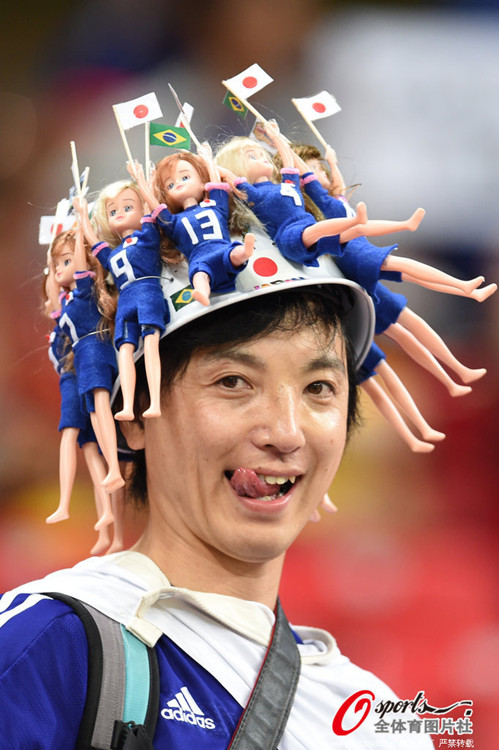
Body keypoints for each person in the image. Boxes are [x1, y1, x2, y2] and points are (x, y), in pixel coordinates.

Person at [0, 229, 435, 748]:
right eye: (233, 382)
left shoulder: (376, 723)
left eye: (319, 388)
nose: (286, 433)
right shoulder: (46, 646)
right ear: (133, 415)